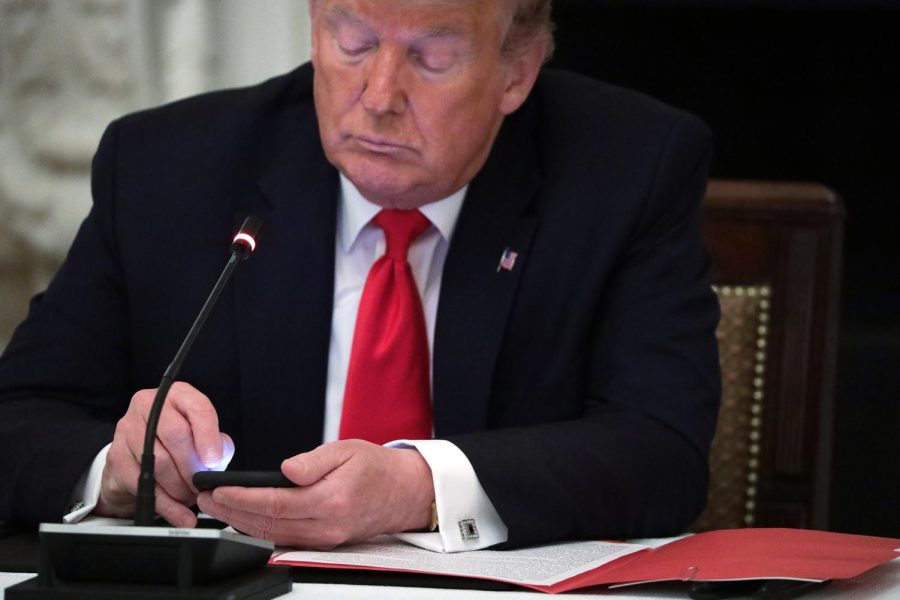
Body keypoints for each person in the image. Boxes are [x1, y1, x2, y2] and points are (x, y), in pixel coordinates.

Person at [0, 0, 721, 552]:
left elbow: (662, 451)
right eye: (352, 43)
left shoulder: (627, 169)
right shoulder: (166, 168)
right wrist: (116, 469)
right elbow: (20, 417)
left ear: (516, 72)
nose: (378, 95)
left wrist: (419, 489)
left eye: (431, 58)